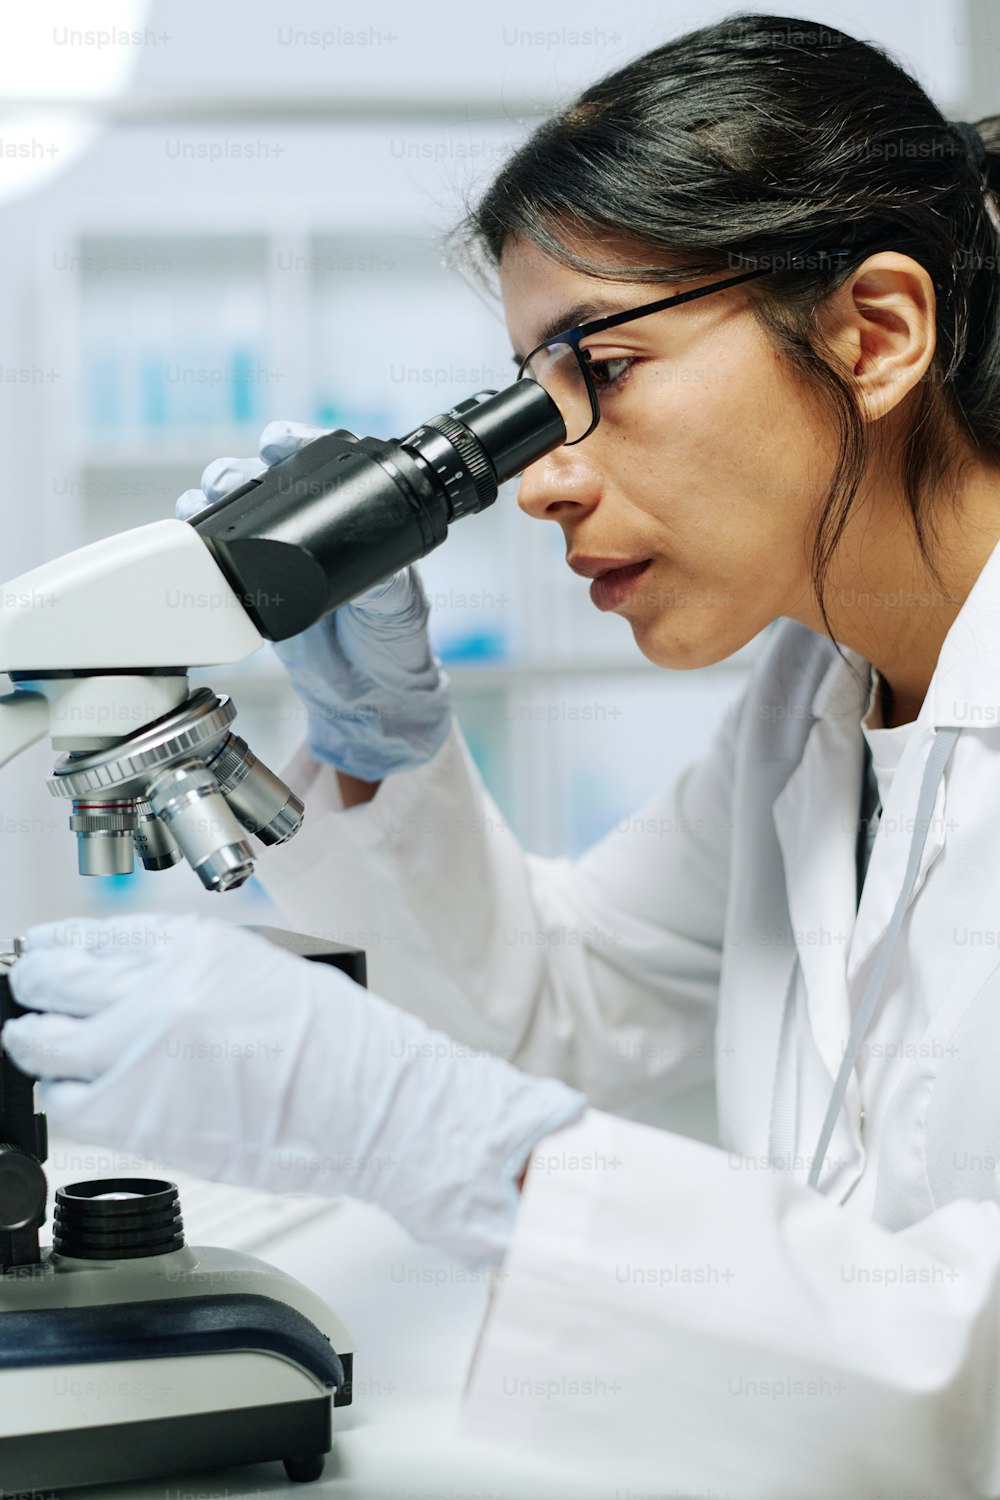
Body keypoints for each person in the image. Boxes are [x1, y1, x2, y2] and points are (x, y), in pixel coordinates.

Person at [6, 12, 1000, 1495]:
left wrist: (411, 1122)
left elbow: (970, 1377)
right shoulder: (814, 693)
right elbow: (570, 1000)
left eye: (602, 364)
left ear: (875, 333)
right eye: (528, 396)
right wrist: (384, 746)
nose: (541, 476)